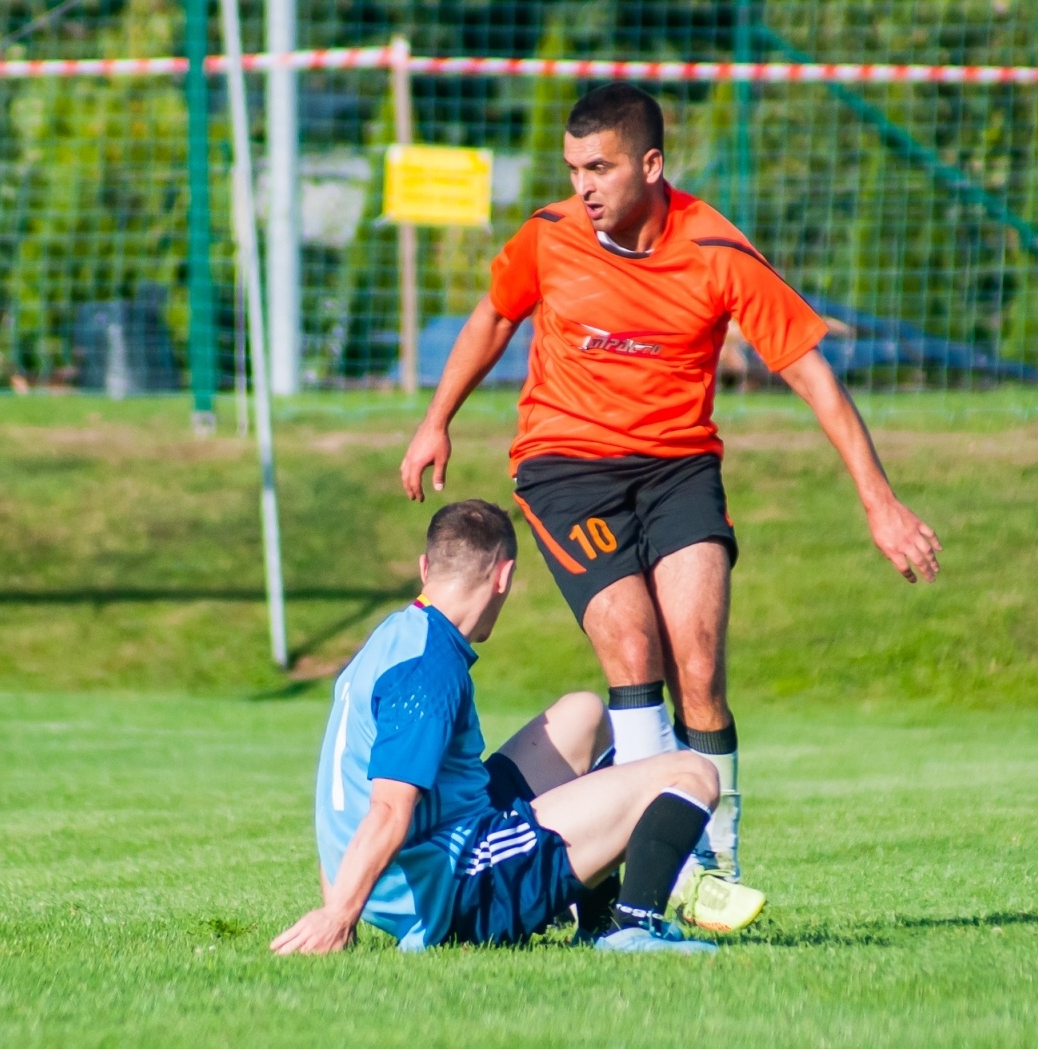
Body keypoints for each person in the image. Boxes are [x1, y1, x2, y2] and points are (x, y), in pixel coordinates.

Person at [398, 83, 943, 932]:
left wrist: (881, 504)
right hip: (566, 467)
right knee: (631, 643)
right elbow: (490, 319)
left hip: (679, 468)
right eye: (574, 168)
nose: (583, 186)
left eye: (601, 167)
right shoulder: (548, 238)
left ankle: (714, 857)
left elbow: (813, 377)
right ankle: (671, 875)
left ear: (652, 166)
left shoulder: (717, 249)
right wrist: (436, 421)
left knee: (700, 664)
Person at [272, 499, 721, 955]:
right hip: (458, 891)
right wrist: (337, 917)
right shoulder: (429, 670)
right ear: (503, 577)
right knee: (692, 773)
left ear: (425, 566)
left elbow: (338, 790)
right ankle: (632, 929)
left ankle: (597, 919)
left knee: (584, 715)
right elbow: (388, 808)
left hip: (431, 853)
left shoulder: (399, 634)